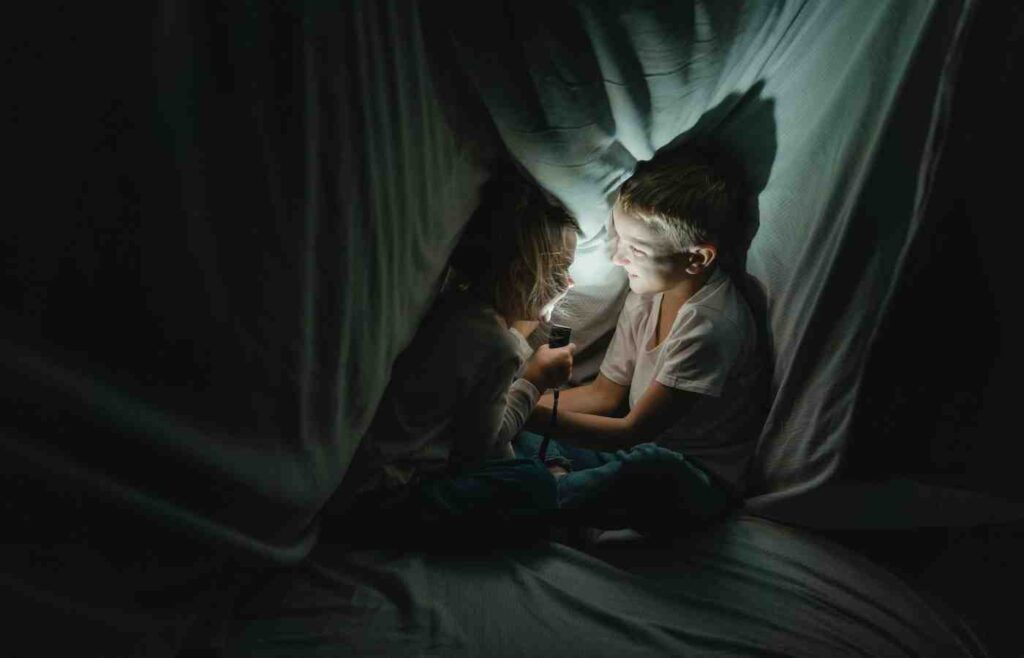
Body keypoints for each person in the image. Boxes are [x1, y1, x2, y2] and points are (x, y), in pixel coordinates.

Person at [516, 143, 768, 533]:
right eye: (619, 240)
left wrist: (523, 412)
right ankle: (559, 484)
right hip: (626, 448)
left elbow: (633, 430)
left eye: (635, 249)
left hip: (693, 478)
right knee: (529, 423)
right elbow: (604, 395)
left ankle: (542, 497)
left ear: (697, 258)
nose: (618, 258)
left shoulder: (709, 326)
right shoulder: (645, 294)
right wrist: (521, 396)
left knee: (652, 468)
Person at [329, 165, 582, 545]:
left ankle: (556, 474)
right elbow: (480, 453)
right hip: (388, 501)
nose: (570, 283)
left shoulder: (456, 309)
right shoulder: (498, 347)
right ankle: (562, 492)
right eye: (561, 271)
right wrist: (536, 380)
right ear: (518, 276)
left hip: (368, 481)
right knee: (528, 482)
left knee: (528, 438)